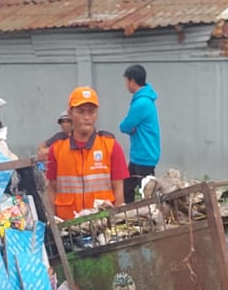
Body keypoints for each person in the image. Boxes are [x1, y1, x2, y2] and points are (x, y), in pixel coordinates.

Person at [43, 86, 127, 220]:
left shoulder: (111, 146)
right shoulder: (57, 149)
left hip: (103, 225)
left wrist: (118, 222)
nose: (86, 117)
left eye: (91, 111)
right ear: (70, 113)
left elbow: (118, 189)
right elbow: (52, 190)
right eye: (81, 111)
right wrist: (53, 224)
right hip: (68, 228)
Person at [118, 64, 161, 202]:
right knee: (127, 189)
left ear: (132, 81)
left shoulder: (140, 103)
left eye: (126, 81)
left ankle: (148, 218)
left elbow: (125, 126)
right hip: (142, 155)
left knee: (146, 195)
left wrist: (131, 128)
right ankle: (131, 217)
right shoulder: (146, 100)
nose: (126, 85)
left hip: (144, 155)